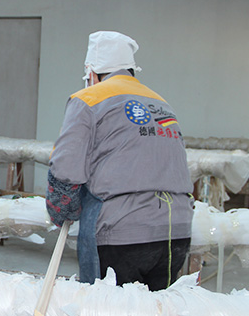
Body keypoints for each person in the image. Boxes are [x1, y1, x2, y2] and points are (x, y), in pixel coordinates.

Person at [45, 31, 194, 291]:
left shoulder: (88, 99)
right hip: (176, 234)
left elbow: (65, 170)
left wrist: (61, 212)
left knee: (107, 306)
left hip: (121, 233)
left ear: (91, 71)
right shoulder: (161, 103)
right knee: (155, 308)